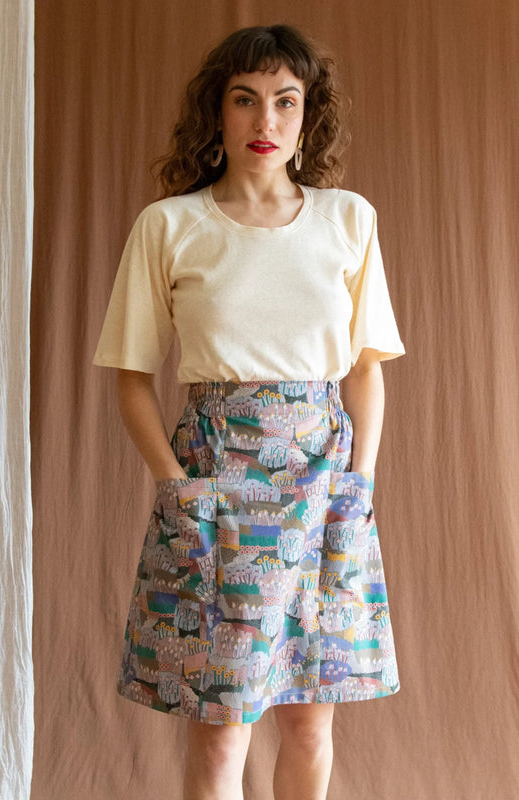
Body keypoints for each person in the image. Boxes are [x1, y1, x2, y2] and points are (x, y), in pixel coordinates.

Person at [93, 24, 405, 800]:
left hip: (325, 491)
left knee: (309, 723)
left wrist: (358, 485)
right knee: (222, 730)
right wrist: (175, 486)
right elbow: (130, 378)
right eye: (245, 100)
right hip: (214, 493)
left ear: (307, 116)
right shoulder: (170, 225)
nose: (265, 120)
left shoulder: (348, 219)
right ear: (218, 112)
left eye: (284, 101)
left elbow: (365, 369)